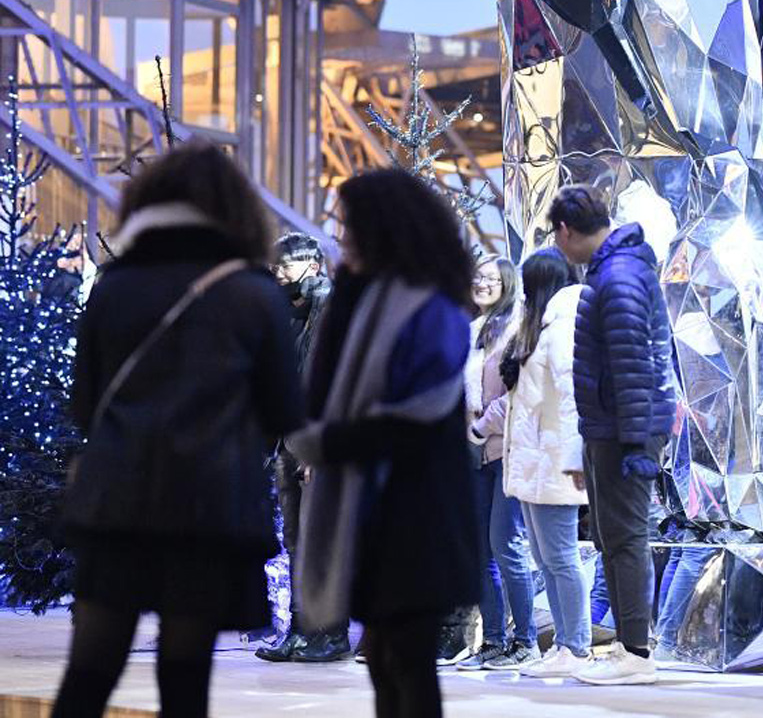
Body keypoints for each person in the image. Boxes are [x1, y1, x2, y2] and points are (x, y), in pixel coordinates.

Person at [54, 143, 303, 718]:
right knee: (186, 676)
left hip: (118, 500)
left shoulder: (114, 286)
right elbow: (284, 413)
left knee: (90, 669)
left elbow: (86, 405)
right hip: (210, 505)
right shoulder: (254, 292)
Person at [283, 168, 480, 718]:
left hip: (419, 505)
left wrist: (330, 442)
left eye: (351, 225)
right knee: (383, 664)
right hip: (362, 505)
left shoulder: (432, 304)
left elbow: (423, 407)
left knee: (408, 664)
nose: (341, 236)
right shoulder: (353, 298)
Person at [548, 185, 677, 685]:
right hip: (613, 429)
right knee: (613, 538)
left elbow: (634, 366)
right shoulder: (613, 269)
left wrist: (637, 446)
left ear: (565, 230)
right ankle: (628, 646)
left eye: (556, 235)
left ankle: (636, 653)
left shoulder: (618, 274)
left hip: (625, 432)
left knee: (625, 540)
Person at [489, 248, 591, 677]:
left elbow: (571, 399)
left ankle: (576, 646)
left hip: (554, 461)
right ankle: (564, 644)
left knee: (561, 557)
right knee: (546, 559)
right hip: (531, 461)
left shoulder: (563, 324)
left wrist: (573, 459)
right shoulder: (536, 324)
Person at [257, 233, 348, 664]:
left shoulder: (329, 308)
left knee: (319, 542)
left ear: (312, 265)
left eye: (284, 265)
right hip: (286, 442)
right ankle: (300, 630)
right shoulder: (287, 311)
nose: (276, 273)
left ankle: (331, 634)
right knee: (295, 541)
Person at [453, 254, 539, 670]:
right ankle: (493, 640)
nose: (481, 283)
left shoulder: (518, 327)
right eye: (477, 276)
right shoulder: (472, 329)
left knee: (507, 546)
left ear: (507, 283)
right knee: (481, 552)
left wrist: (481, 426)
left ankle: (526, 641)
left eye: (490, 278)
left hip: (506, 450)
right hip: (473, 452)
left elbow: (516, 394)